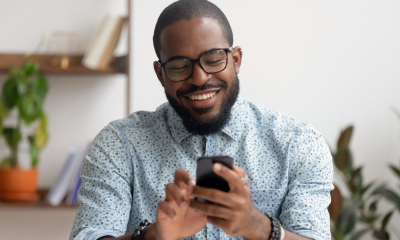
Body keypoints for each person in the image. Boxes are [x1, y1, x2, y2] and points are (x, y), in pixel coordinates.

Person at [70, 1, 333, 240]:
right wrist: (151, 237)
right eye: (178, 66)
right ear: (160, 74)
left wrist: (259, 227)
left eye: (214, 59)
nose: (199, 78)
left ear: (236, 60)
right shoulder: (119, 144)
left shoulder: (298, 144)